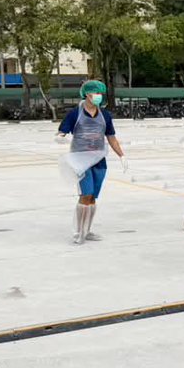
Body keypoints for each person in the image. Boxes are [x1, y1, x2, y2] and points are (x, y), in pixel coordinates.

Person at [57, 80, 127, 245]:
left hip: (99, 160)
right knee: (85, 195)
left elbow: (111, 138)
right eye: (96, 93)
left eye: (100, 93)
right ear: (86, 94)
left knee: (93, 197)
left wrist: (121, 156)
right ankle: (78, 231)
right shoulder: (75, 114)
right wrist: (60, 137)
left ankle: (87, 230)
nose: (98, 96)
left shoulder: (105, 115)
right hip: (81, 160)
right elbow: (62, 132)